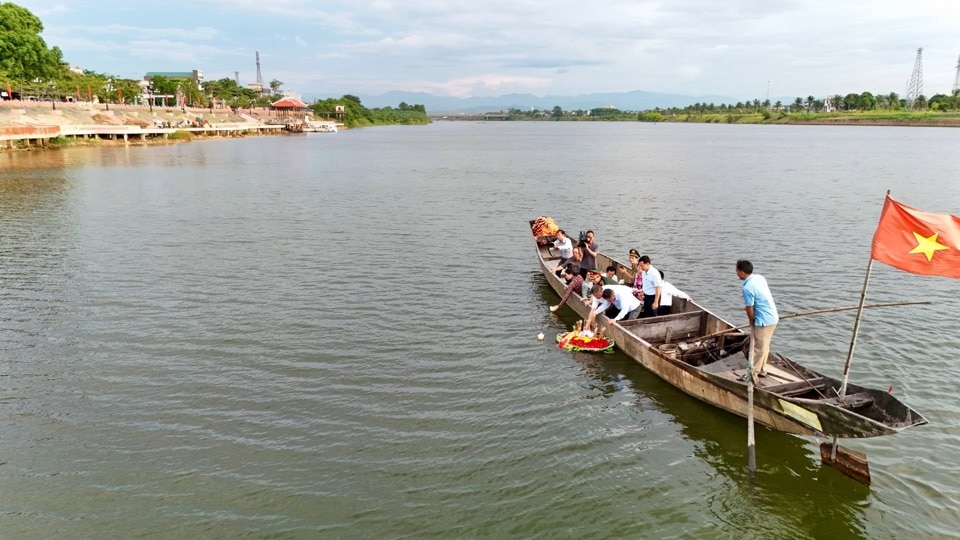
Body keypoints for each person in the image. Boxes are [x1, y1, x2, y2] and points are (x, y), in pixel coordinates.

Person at [736, 259, 779, 380]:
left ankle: (750, 374)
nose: (736, 273)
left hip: (763, 321)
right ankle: (761, 370)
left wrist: (751, 319)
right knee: (764, 346)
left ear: (742, 272)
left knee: (758, 348)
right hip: (772, 317)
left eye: (737, 271)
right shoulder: (759, 278)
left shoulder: (747, 288)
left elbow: (750, 308)